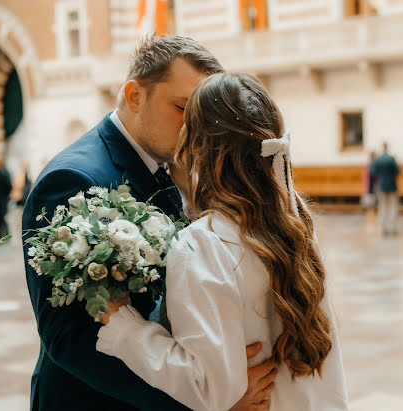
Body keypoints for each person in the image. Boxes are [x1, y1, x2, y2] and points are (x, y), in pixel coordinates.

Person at [22, 36, 276, 411]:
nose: (195, 128)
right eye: (181, 108)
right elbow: (70, 338)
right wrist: (205, 399)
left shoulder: (172, 162)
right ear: (135, 95)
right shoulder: (74, 180)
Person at [96, 72, 349, 410]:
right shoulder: (293, 215)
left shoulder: (204, 244)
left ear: (198, 149)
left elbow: (209, 387)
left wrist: (124, 327)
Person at [371, 142, 400, 235]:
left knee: (382, 207)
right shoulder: (391, 159)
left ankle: (383, 228)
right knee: (392, 207)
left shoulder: (378, 160)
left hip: (381, 186)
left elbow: (373, 172)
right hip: (392, 185)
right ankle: (391, 227)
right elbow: (397, 171)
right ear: (387, 148)